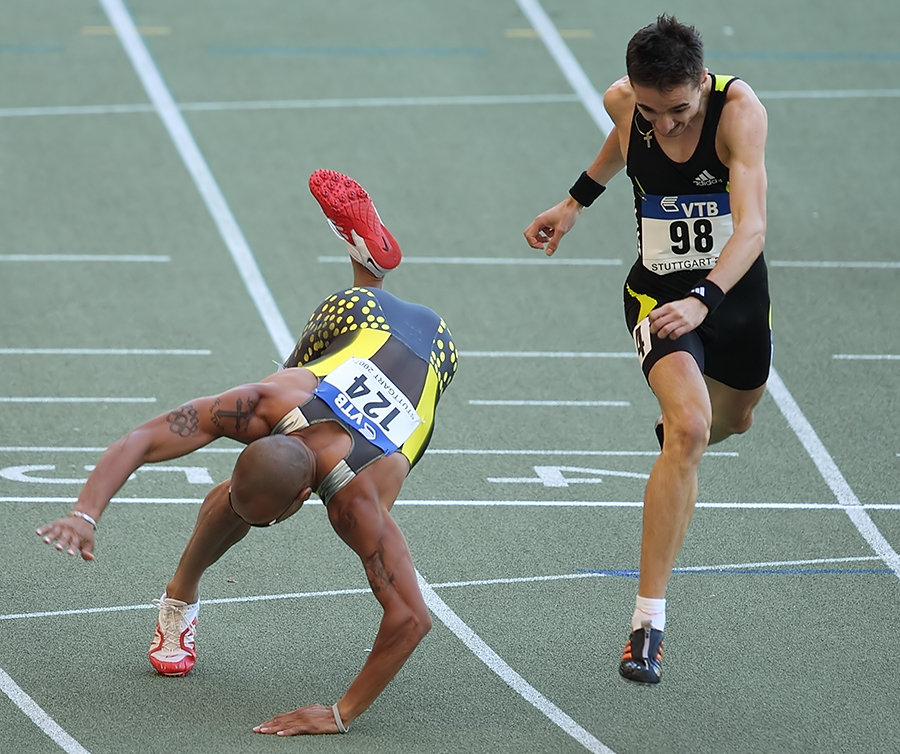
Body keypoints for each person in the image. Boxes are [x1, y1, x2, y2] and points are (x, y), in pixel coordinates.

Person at [36, 169, 458, 734]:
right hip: (392, 325)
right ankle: (369, 260)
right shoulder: (265, 402)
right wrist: (83, 513)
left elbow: (412, 620)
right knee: (314, 358)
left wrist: (339, 714)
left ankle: (181, 596)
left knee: (293, 383)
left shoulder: (358, 506)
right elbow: (141, 440)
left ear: (301, 499)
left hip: (437, 356)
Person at [524, 16, 771, 684]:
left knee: (734, 419)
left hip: (733, 299)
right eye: (652, 111)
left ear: (701, 82)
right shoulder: (627, 105)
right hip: (656, 301)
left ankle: (681, 436)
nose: (664, 125)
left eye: (679, 111)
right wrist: (573, 204)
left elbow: (751, 227)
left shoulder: (738, 113)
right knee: (690, 428)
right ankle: (647, 623)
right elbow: (621, 145)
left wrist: (707, 298)